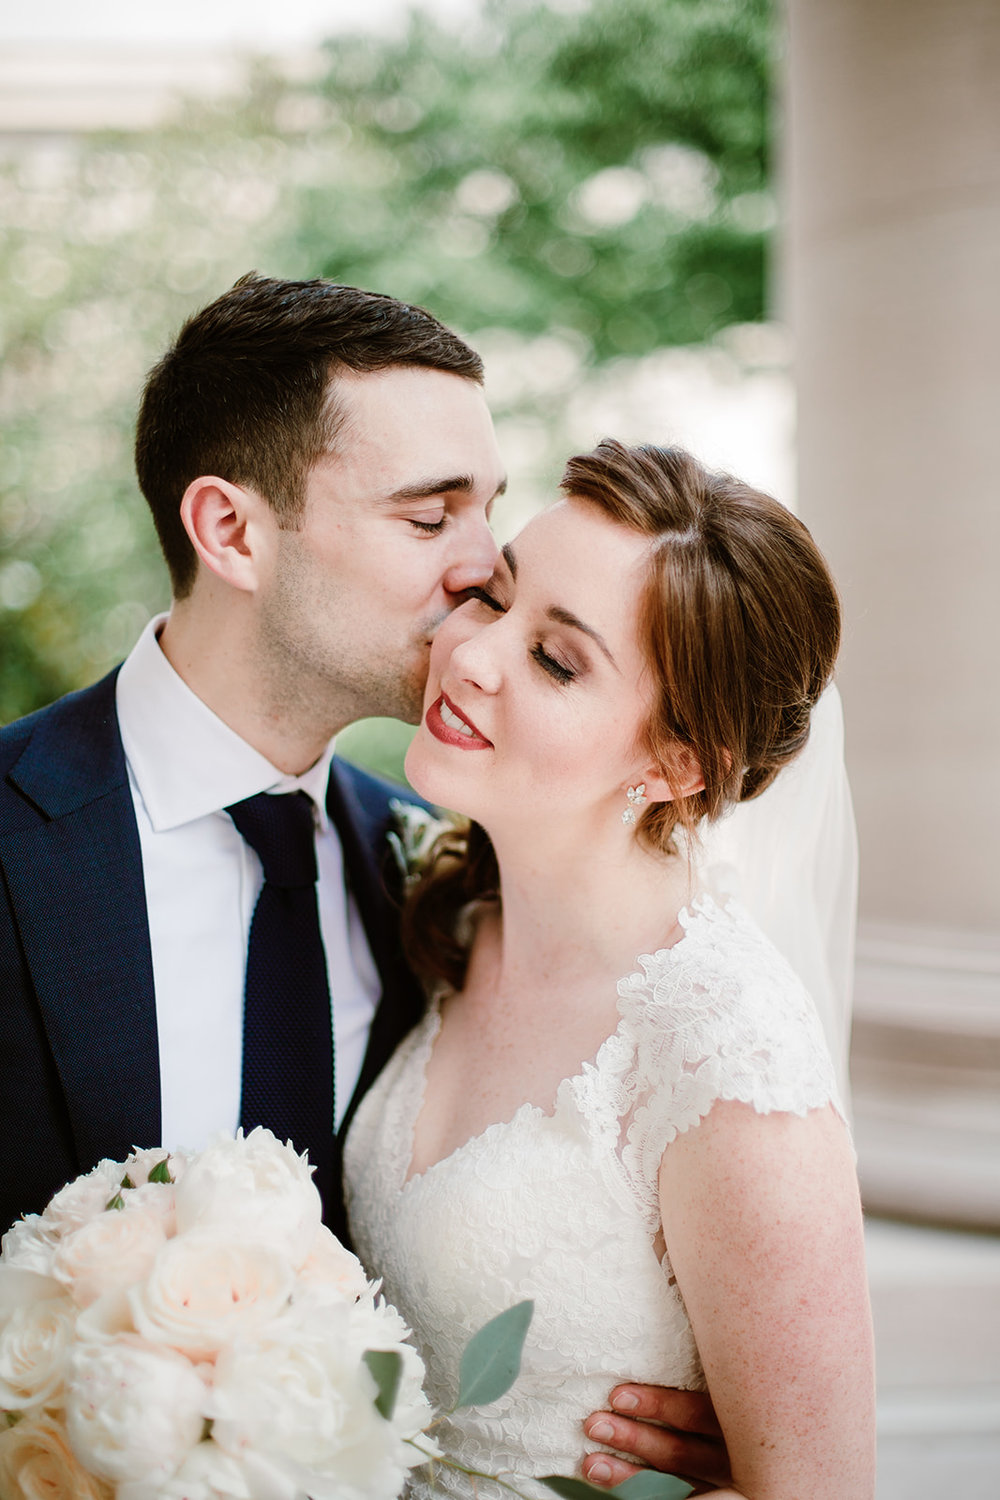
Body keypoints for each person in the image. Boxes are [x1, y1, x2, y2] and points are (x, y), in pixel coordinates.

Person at [0, 275, 852, 1492]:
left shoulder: (416, 866)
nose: (475, 573)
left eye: (487, 513)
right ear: (232, 531)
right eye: (429, 518)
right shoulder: (460, 898)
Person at [343, 440, 876, 1499]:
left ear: (675, 764)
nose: (475, 656)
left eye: (555, 659)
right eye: (495, 596)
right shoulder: (439, 918)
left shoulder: (723, 1045)